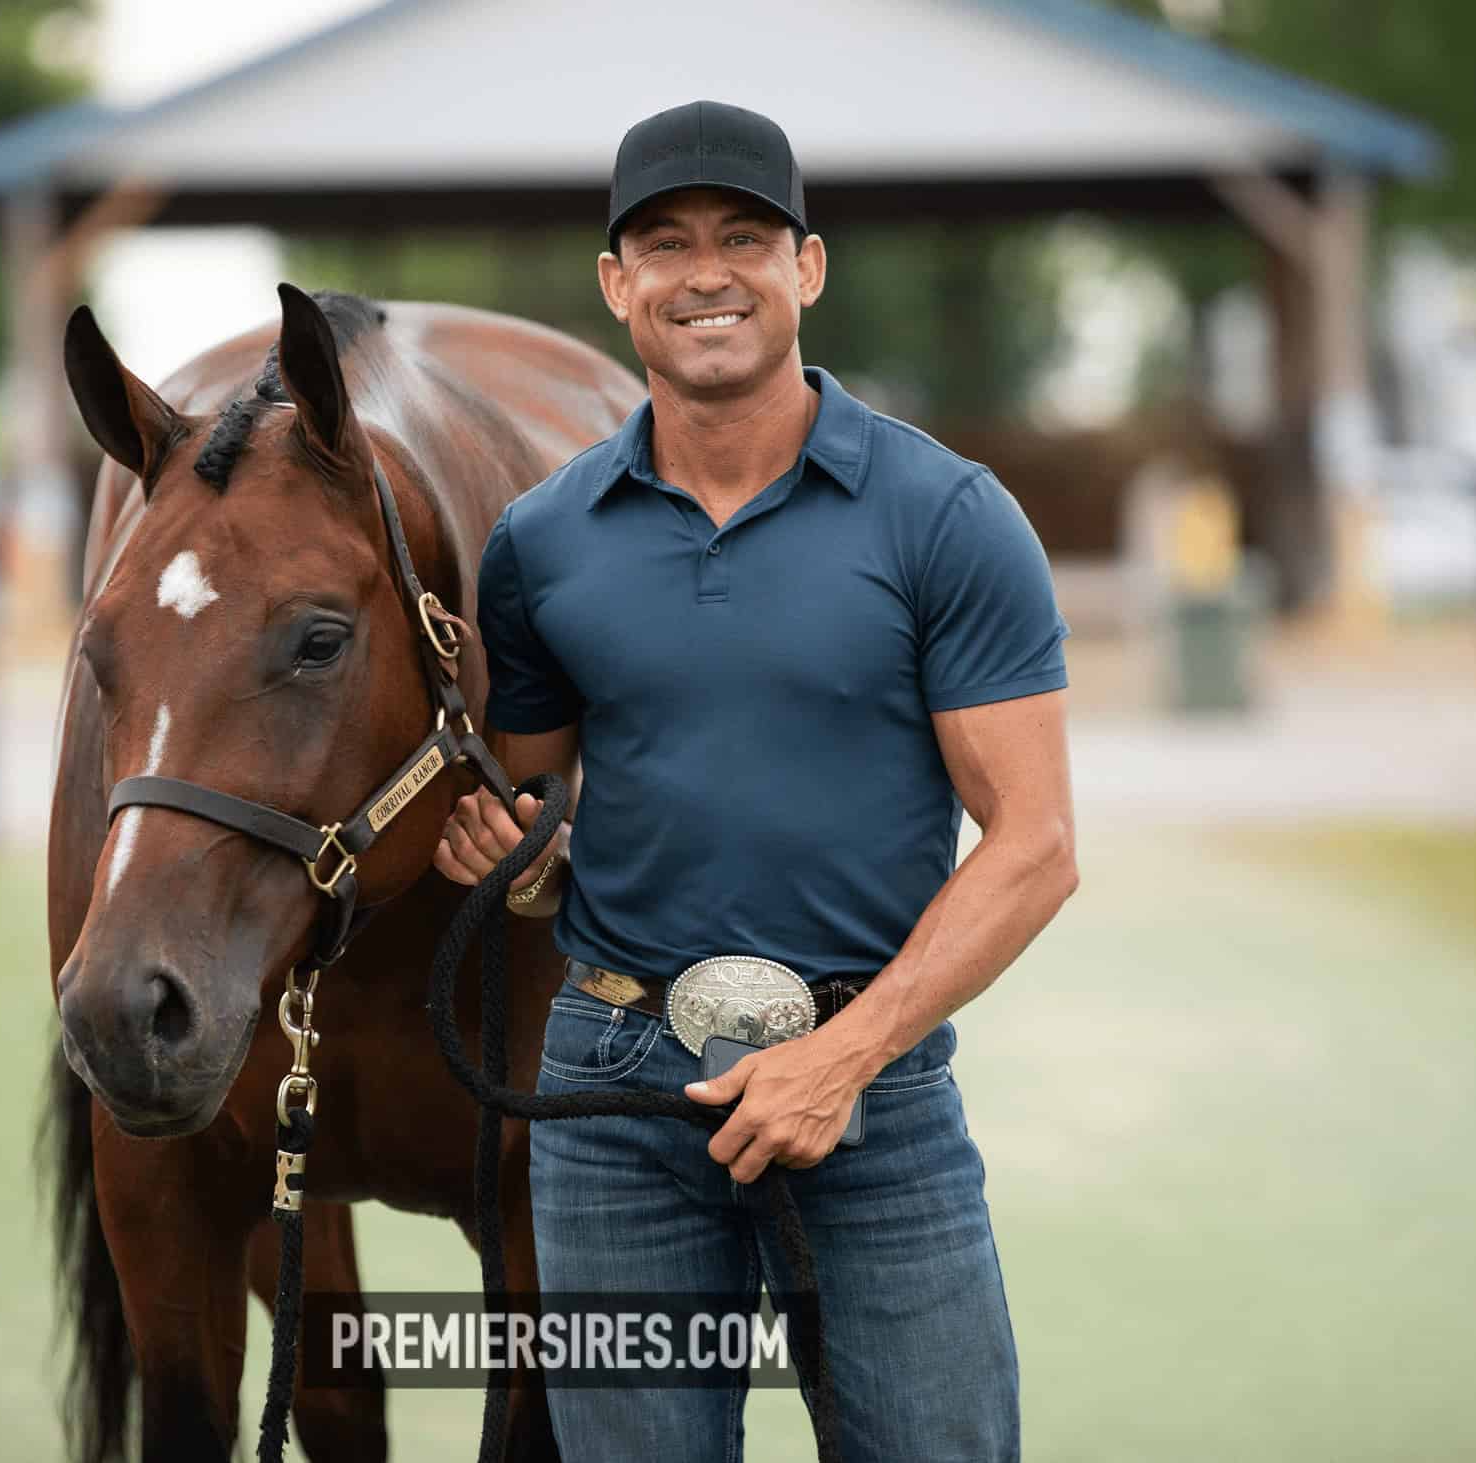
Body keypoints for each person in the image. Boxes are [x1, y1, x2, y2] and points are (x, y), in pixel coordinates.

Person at [435, 100, 1077, 1461]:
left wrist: (840, 1061)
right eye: (665, 245)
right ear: (617, 285)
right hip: (614, 1097)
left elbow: (1035, 846)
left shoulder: (949, 517)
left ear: (808, 267)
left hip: (872, 1089)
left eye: (745, 237)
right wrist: (522, 865)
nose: (706, 274)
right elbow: (539, 825)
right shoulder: (539, 545)